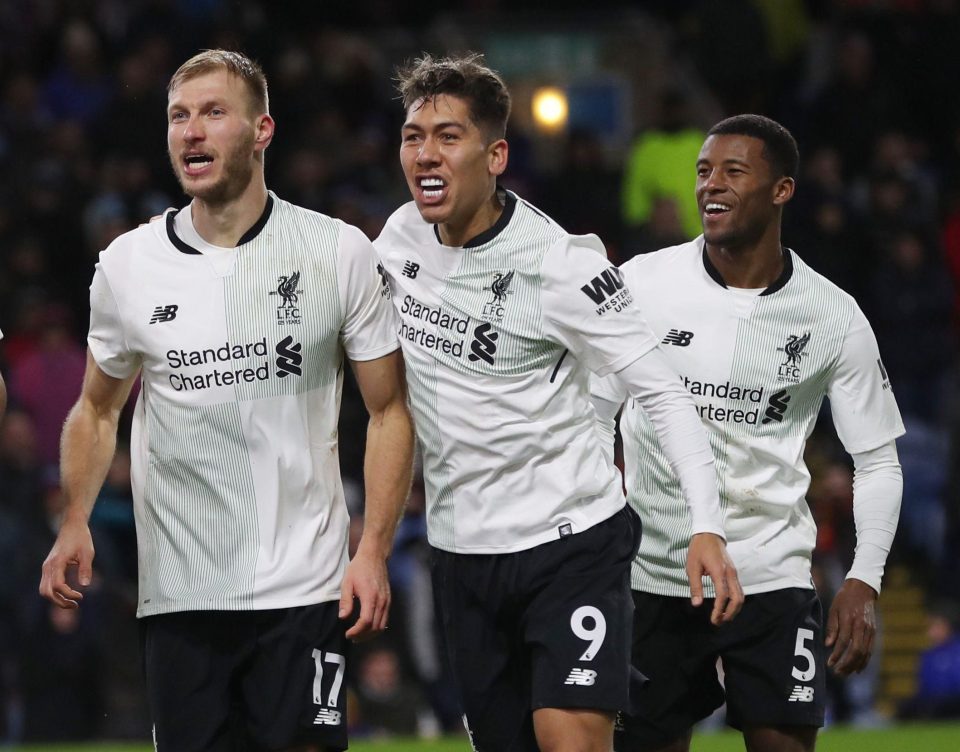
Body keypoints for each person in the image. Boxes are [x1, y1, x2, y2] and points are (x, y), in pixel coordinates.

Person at [38, 49, 414, 752]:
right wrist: (75, 518)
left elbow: (390, 411)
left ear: (262, 130)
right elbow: (96, 409)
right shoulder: (127, 266)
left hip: (305, 588)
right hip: (183, 594)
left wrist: (374, 549)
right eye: (179, 116)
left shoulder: (336, 252)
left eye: (213, 113)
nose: (191, 132)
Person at [374, 53, 743, 752]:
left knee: (570, 742)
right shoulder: (396, 241)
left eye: (449, 136)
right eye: (413, 135)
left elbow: (661, 392)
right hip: (462, 551)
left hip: (569, 543)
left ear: (496, 154)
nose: (426, 153)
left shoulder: (563, 264)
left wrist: (707, 524)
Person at [591, 114, 905, 752]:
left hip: (771, 575)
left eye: (734, 172)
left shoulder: (833, 315)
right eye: (704, 172)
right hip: (654, 574)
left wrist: (863, 578)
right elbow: (594, 416)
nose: (712, 185)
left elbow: (876, 461)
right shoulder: (645, 284)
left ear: (782, 190)